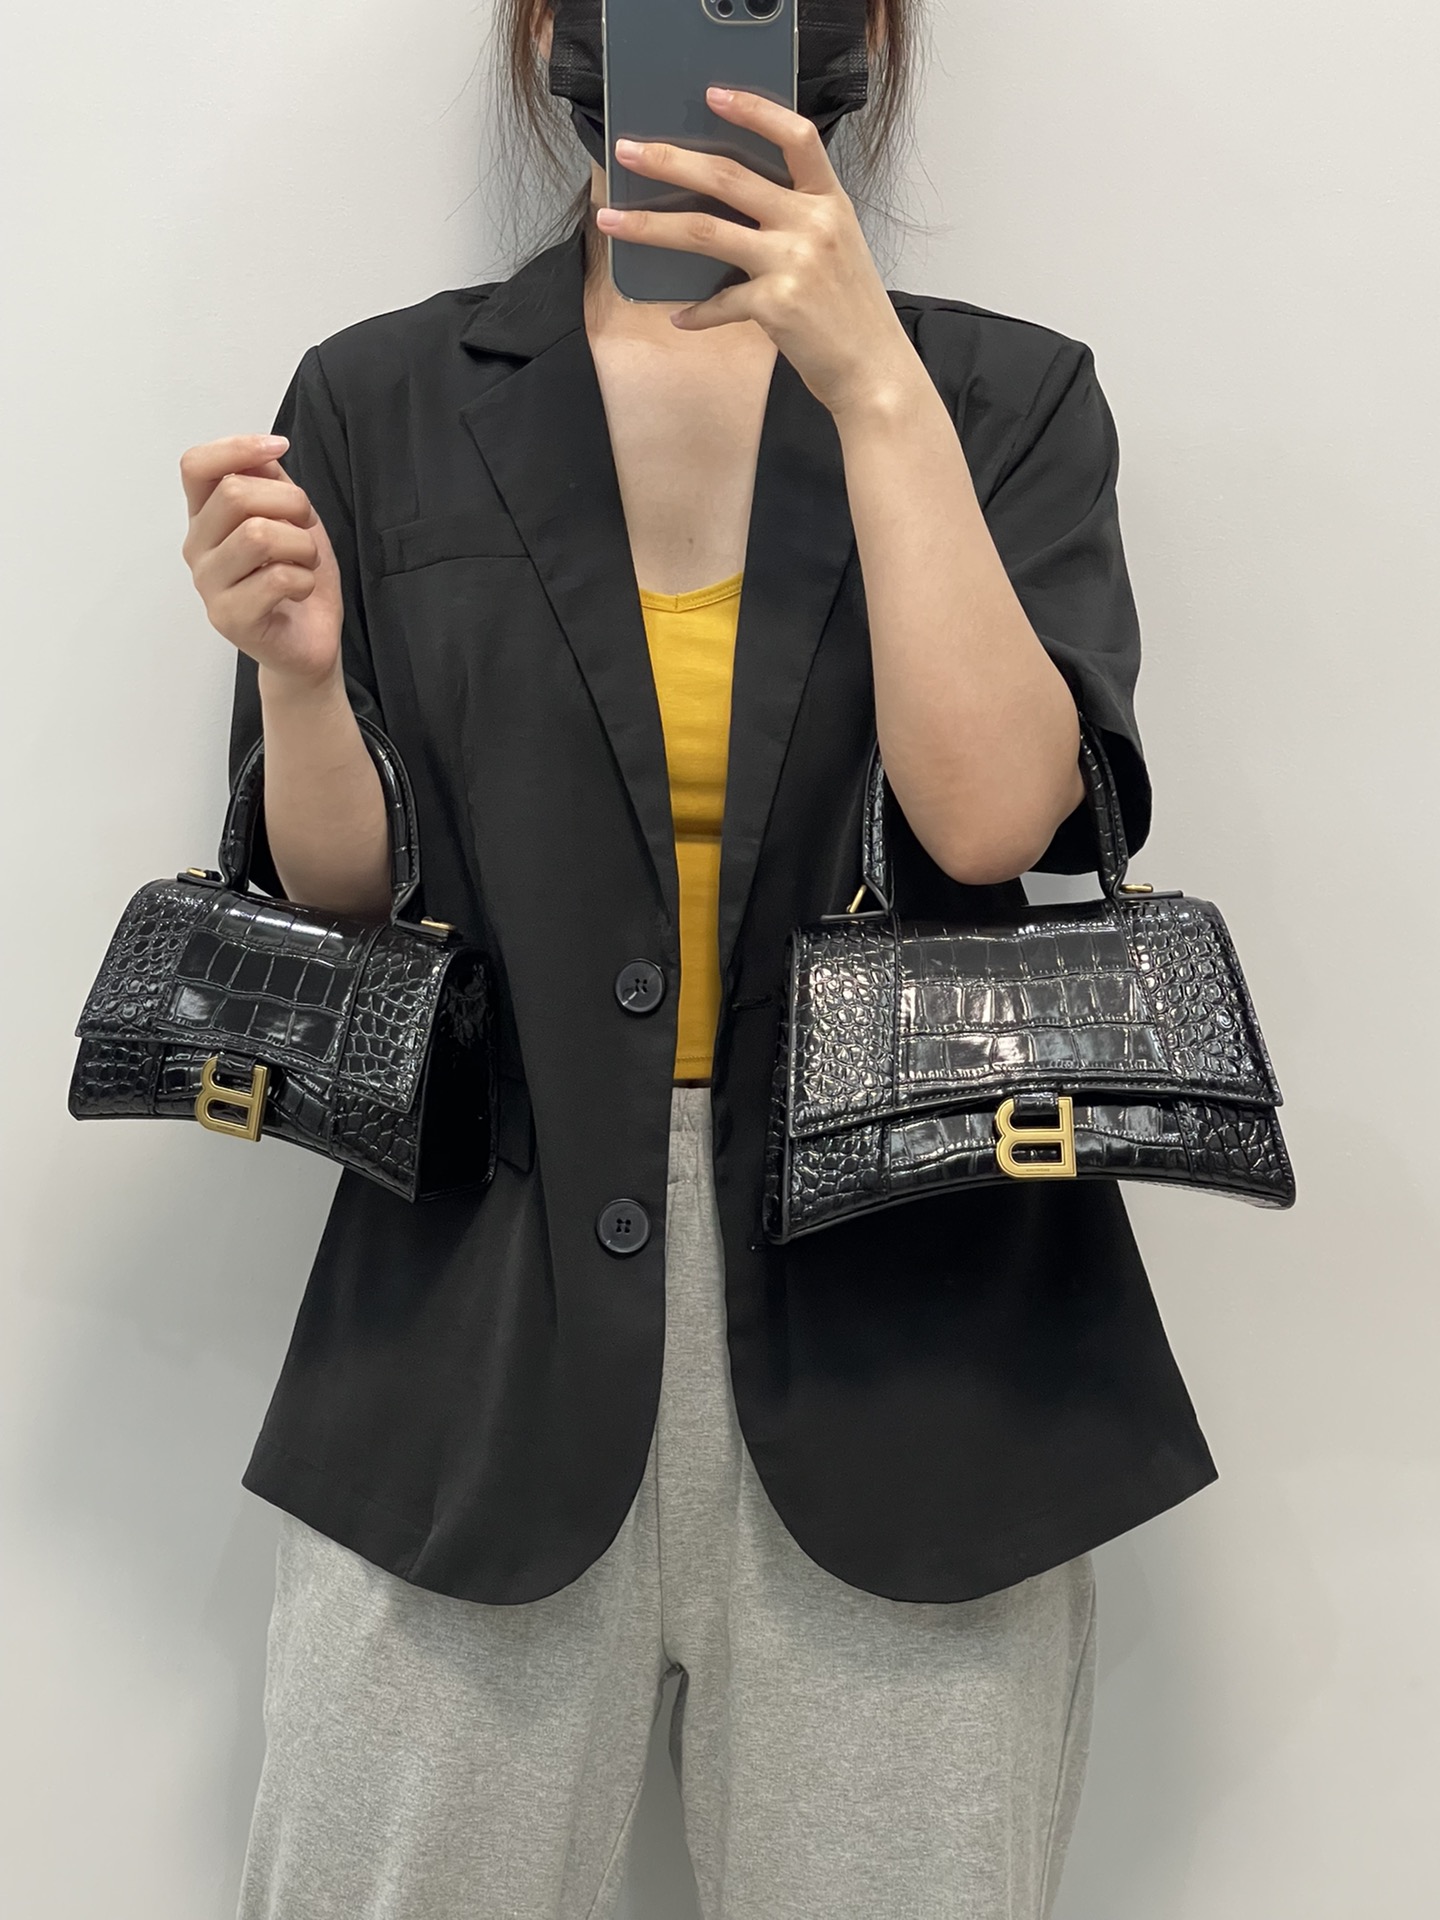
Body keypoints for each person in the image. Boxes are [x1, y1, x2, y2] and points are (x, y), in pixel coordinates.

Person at [179, 2, 1216, 1914]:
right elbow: (341, 906)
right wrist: (301, 681)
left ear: (862, 35)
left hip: (921, 1334)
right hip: (472, 1324)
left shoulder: (1000, 397)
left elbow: (993, 823)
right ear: (551, 35)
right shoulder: (381, 399)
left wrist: (871, 384)